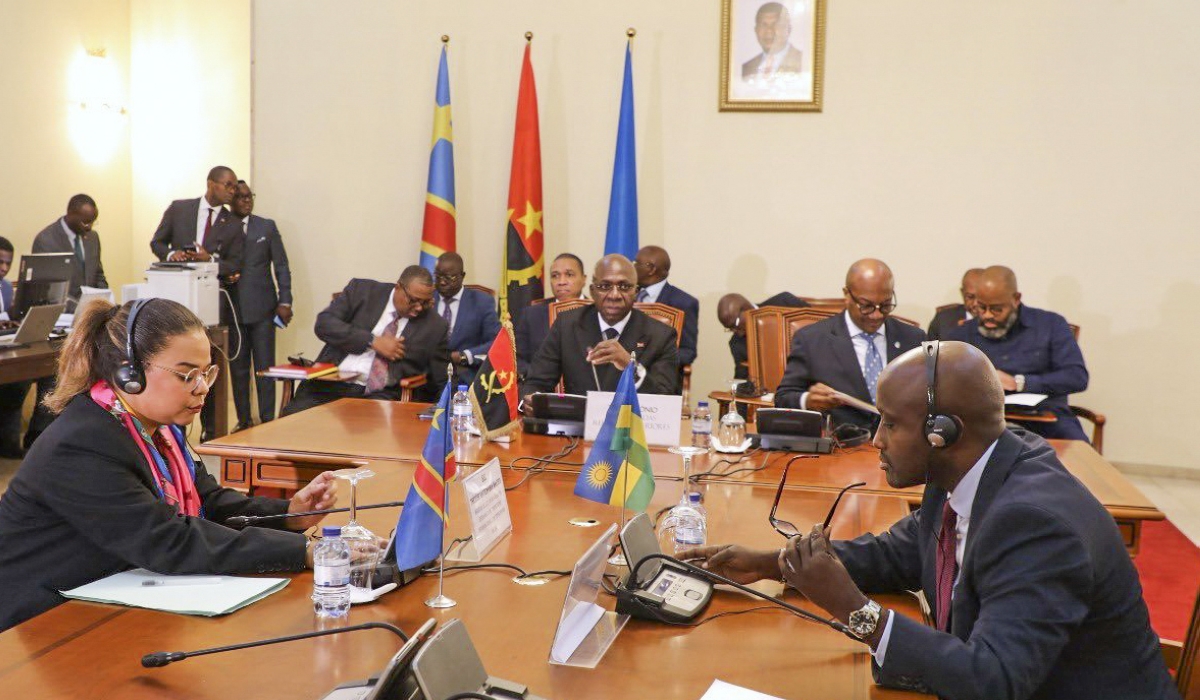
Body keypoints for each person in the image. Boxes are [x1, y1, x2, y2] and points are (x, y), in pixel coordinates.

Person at [683, 341, 1178, 700]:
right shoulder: (972, 467)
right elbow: (898, 553)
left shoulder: (1033, 523)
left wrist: (858, 611)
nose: (876, 439)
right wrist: (773, 564)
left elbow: (995, 680)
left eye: (891, 424)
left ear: (942, 432)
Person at [0, 298, 343, 632]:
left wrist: (289, 513)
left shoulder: (156, 430)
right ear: (129, 373)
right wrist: (305, 551)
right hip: (39, 622)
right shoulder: (82, 443)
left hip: (108, 594)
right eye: (186, 375)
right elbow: (167, 539)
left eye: (207, 372)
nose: (203, 388)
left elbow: (209, 501)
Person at [775, 259, 925, 431]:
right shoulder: (812, 339)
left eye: (885, 305)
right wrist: (808, 400)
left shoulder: (913, 339)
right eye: (866, 306)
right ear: (847, 295)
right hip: (843, 447)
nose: (876, 315)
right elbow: (783, 397)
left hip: (902, 447)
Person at [280, 266, 449, 416]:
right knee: (291, 423)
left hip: (380, 395)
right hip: (328, 385)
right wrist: (372, 341)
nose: (419, 307)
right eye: (413, 300)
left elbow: (437, 381)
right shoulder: (362, 291)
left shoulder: (435, 326)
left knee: (365, 434)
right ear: (398, 287)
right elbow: (324, 324)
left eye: (425, 302)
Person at [946, 266, 1090, 441]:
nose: (987, 316)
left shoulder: (1050, 325)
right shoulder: (962, 335)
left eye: (997, 309)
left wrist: (1019, 383)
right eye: (981, 308)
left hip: (1045, 418)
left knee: (1079, 456)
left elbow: (1076, 377)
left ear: (1016, 299)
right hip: (982, 421)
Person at [522, 255, 680, 397]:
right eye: (605, 286)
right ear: (592, 291)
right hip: (578, 425)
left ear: (636, 292)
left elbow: (666, 397)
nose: (614, 295)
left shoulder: (661, 335)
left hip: (632, 426)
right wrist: (530, 401)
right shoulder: (567, 325)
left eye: (624, 287)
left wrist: (630, 367)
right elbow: (536, 382)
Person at [224, 182, 292, 430]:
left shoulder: (266, 226)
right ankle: (244, 420)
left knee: (264, 368)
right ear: (231, 200)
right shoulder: (222, 227)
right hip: (232, 309)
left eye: (249, 196)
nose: (246, 201)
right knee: (239, 369)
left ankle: (266, 420)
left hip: (264, 309)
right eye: (240, 197)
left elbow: (281, 265)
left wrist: (285, 300)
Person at [149, 166, 243, 269]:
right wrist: (171, 254)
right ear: (210, 184)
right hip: (178, 278)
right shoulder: (178, 209)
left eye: (234, 188)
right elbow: (157, 243)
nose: (232, 191)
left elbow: (234, 264)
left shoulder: (234, 223)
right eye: (228, 185)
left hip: (211, 282)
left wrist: (209, 259)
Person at [432, 252, 501, 386]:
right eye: (438, 276)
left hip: (466, 376)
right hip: (429, 376)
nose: (441, 282)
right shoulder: (427, 300)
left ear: (462, 276)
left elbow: (496, 341)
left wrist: (464, 356)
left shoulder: (482, 302)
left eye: (448, 277)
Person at [515, 253, 586, 378]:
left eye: (569, 275)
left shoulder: (596, 311)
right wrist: (539, 376)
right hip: (543, 387)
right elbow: (517, 358)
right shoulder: (531, 315)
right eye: (555, 276)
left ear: (584, 279)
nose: (561, 282)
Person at [32, 194, 108, 306]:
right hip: (63, 314)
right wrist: (79, 308)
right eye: (85, 222)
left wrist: (105, 301)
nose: (89, 227)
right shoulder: (46, 241)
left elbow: (98, 275)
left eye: (93, 222)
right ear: (70, 214)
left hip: (91, 313)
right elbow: (47, 290)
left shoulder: (93, 237)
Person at [718, 291, 808, 381]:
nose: (738, 333)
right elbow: (742, 379)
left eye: (735, 325)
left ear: (746, 309)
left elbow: (818, 327)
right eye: (730, 328)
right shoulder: (736, 343)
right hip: (770, 392)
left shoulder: (784, 302)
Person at [634, 245, 699, 366]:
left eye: (636, 263)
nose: (632, 268)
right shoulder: (628, 297)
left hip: (661, 377)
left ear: (651, 269)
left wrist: (650, 359)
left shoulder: (683, 303)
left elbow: (687, 352)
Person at [0, 236, 29, 458]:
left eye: (8, 263)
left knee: (21, 379)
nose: (4, 268)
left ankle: (13, 444)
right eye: (0, 261)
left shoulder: (8, 287)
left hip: (5, 348)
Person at [741, 2, 804, 80]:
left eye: (776, 24)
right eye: (764, 25)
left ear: (788, 29)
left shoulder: (804, 62)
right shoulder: (747, 68)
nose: (769, 30)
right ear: (756, 30)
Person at [926, 268, 984, 341]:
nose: (975, 303)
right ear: (962, 293)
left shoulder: (996, 321)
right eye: (970, 297)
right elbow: (930, 351)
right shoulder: (942, 320)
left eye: (980, 297)